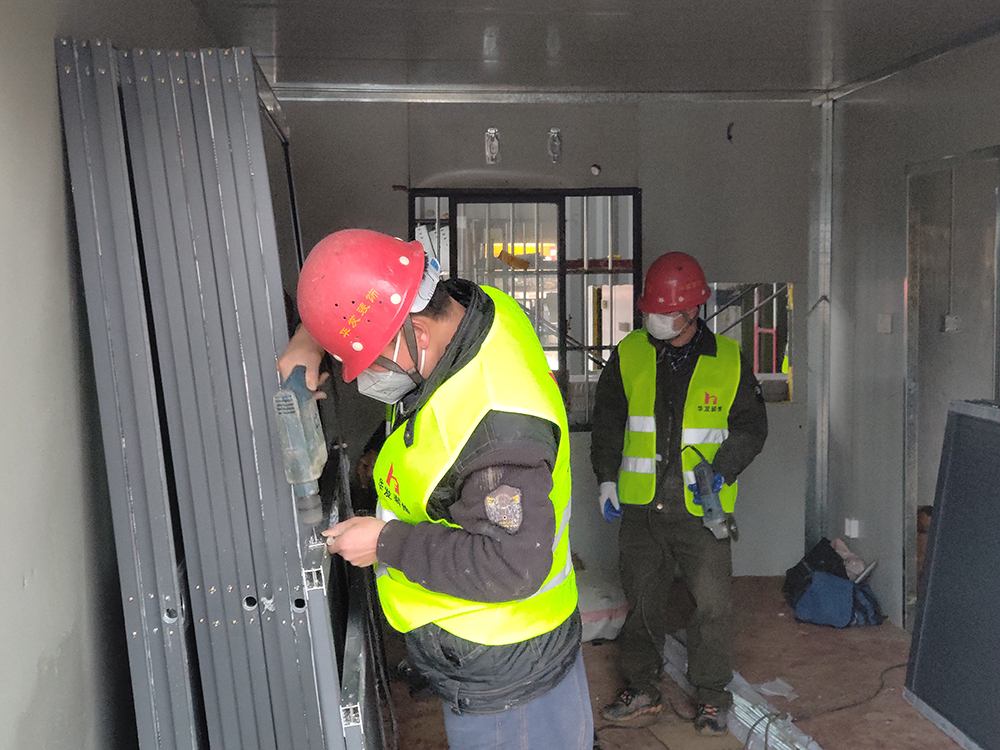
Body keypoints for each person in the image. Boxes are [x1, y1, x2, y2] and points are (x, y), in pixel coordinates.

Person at [278, 228, 592, 750]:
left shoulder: (498, 434)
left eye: (372, 362)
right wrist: (307, 342)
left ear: (417, 334)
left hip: (504, 669)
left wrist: (384, 542)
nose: (365, 378)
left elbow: (510, 563)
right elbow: (366, 282)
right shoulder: (478, 310)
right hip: (499, 655)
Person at [591, 252, 767, 735]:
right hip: (641, 507)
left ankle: (711, 695)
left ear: (691, 311)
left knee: (712, 608)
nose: (654, 319)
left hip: (701, 510)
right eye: (651, 310)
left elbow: (751, 428)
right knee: (642, 603)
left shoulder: (728, 359)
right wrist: (605, 477)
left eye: (664, 311)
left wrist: (722, 470)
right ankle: (642, 688)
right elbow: (608, 421)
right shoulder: (630, 353)